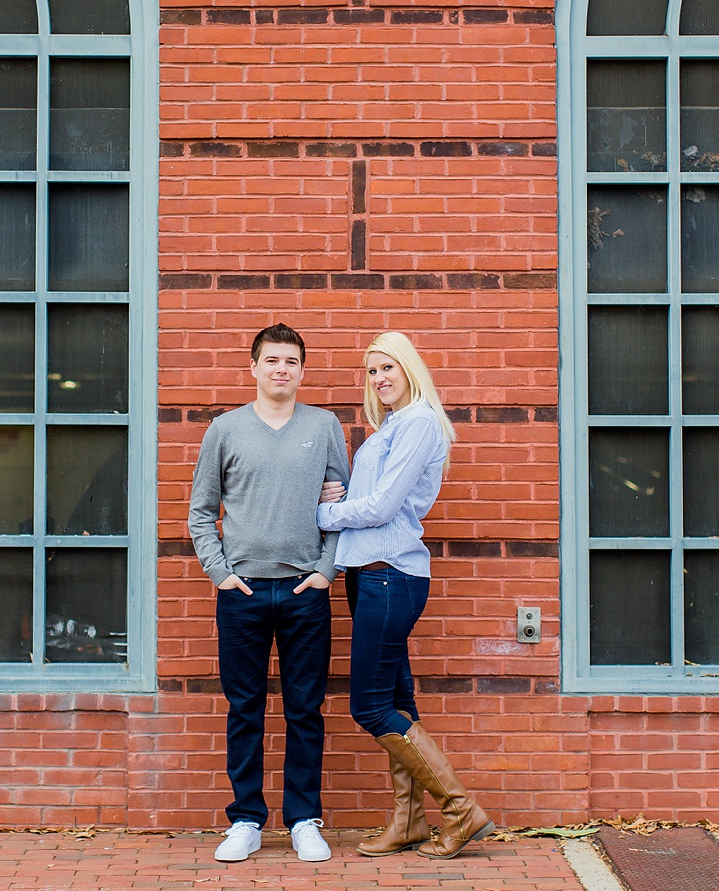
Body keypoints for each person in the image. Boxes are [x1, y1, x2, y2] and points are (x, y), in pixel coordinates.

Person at [317, 331, 493, 859]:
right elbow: (369, 499)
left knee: (370, 707)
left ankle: (461, 810)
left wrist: (325, 513)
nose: (379, 378)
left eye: (388, 367)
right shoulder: (392, 425)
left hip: (390, 576)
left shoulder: (417, 423)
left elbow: (383, 506)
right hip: (371, 574)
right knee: (397, 700)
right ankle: (410, 821)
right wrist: (343, 496)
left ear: (410, 369)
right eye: (371, 371)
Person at [188, 323, 349, 864]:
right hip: (243, 592)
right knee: (245, 708)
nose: (281, 369)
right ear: (253, 367)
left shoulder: (325, 426)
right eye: (271, 360)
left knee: (306, 709)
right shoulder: (225, 430)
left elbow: (338, 510)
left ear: (303, 370)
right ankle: (247, 820)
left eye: (291, 361)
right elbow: (201, 511)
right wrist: (220, 573)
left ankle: (304, 819)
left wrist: (326, 571)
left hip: (306, 590)